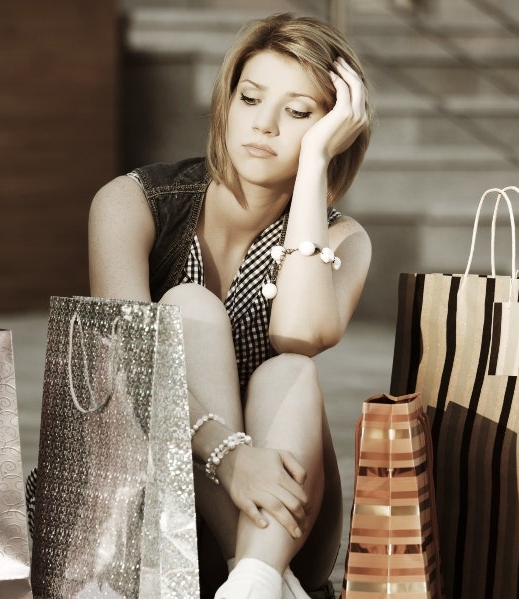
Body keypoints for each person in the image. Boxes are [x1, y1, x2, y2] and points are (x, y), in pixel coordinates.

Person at [88, 12, 375, 599]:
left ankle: (254, 578)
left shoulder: (343, 240)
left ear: (335, 131)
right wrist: (229, 456)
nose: (264, 126)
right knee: (190, 307)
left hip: (286, 520)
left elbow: (298, 334)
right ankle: (261, 583)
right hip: (147, 510)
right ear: (226, 101)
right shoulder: (131, 203)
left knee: (287, 370)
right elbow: (130, 367)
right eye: (250, 98)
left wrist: (315, 165)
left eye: (299, 114)